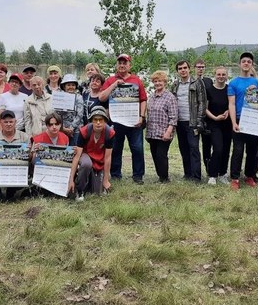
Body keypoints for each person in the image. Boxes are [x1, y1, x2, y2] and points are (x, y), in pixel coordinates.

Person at [99, 54, 147, 183]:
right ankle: (116, 175)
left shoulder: (136, 80)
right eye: (119, 63)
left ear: (129, 65)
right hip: (116, 121)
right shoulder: (110, 80)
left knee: (137, 148)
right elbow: (101, 98)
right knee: (116, 148)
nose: (122, 65)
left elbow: (143, 100)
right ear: (116, 65)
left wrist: (142, 116)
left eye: (124, 63)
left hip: (134, 121)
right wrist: (114, 85)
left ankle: (138, 176)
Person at [227, 52, 258, 190]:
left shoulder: (257, 83)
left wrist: (256, 92)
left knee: (252, 151)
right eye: (244, 61)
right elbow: (231, 104)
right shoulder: (233, 83)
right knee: (238, 150)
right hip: (239, 119)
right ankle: (235, 178)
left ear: (252, 64)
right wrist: (233, 122)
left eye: (249, 61)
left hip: (253, 120)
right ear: (239, 64)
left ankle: (249, 175)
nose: (246, 63)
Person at [171, 60, 207, 182]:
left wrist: (199, 121)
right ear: (177, 71)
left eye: (185, 68)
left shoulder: (197, 83)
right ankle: (187, 174)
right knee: (183, 148)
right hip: (179, 121)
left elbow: (202, 103)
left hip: (192, 122)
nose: (183, 70)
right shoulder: (175, 85)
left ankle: (196, 176)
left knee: (194, 148)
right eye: (180, 68)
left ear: (189, 69)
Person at [69, 106, 115, 201]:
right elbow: (77, 156)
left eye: (101, 120)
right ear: (91, 121)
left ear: (105, 121)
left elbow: (107, 157)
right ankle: (80, 190)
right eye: (95, 120)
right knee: (86, 164)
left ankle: (95, 179)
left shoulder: (110, 133)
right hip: (86, 155)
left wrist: (106, 180)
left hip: (100, 160)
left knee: (97, 192)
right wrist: (70, 179)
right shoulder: (84, 131)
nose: (98, 122)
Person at [0, 110, 30, 201]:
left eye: (11, 122)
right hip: (0, 168)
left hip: (17, 168)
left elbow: (30, 159)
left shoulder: (24, 137)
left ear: (15, 122)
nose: (8, 124)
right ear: (0, 122)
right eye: (5, 122)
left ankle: (12, 191)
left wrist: (29, 152)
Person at [145, 70, 177, 183]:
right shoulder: (152, 97)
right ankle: (160, 177)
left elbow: (173, 117)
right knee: (154, 155)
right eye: (155, 81)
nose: (157, 83)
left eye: (160, 81)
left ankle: (165, 178)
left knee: (161, 155)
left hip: (164, 132)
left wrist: (168, 132)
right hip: (152, 132)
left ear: (165, 82)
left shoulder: (170, 97)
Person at [204, 66, 231, 185]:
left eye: (223, 74)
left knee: (226, 149)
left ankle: (223, 173)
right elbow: (205, 108)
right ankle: (212, 175)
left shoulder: (230, 89)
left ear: (227, 76)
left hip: (227, 123)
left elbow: (233, 104)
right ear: (215, 75)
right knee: (218, 148)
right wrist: (215, 117)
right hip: (213, 123)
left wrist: (228, 111)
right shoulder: (209, 90)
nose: (221, 77)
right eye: (218, 74)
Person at [194, 59, 214, 171]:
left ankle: (209, 168)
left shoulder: (209, 81)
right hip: (194, 117)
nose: (200, 69)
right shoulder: (191, 81)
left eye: (202, 67)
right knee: (194, 145)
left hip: (207, 117)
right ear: (194, 68)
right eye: (198, 67)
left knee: (207, 144)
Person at [56, 74, 85, 145]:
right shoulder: (60, 97)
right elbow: (57, 114)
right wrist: (63, 128)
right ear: (64, 86)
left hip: (76, 129)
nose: (71, 87)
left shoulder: (79, 97)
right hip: (63, 128)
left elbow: (80, 114)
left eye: (73, 85)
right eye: (68, 85)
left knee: (74, 148)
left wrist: (71, 128)